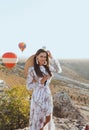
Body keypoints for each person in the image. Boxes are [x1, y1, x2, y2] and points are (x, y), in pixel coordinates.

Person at [25, 48, 62, 130]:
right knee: (39, 118)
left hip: (47, 94)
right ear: (36, 57)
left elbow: (59, 70)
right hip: (38, 96)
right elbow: (28, 86)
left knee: (48, 116)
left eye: (45, 57)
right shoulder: (32, 69)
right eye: (41, 56)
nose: (43, 58)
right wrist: (40, 82)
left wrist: (52, 57)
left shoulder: (48, 68)